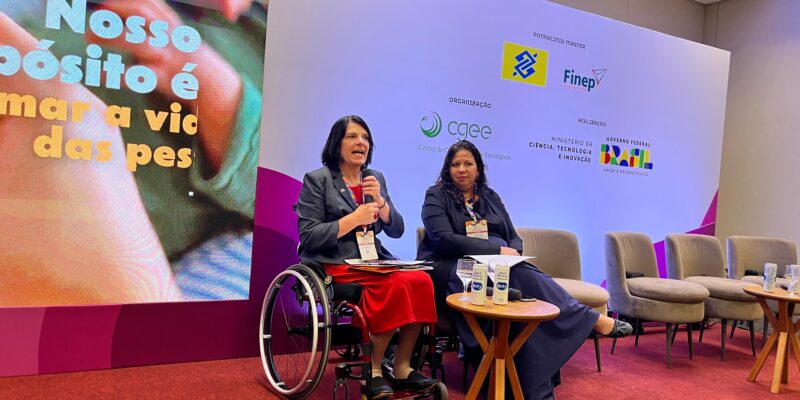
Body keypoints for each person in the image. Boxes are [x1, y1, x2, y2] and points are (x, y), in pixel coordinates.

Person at [417, 140, 632, 400]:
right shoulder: (436, 195)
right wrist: (497, 252)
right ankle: (588, 319)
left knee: (522, 295)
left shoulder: (490, 197)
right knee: (518, 276)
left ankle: (530, 383)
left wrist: (513, 252)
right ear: (447, 168)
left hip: (499, 267)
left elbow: (513, 235)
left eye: (468, 163)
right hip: (453, 267)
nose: (461, 169)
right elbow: (444, 239)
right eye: (455, 164)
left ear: (478, 168)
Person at [296, 115, 438, 399]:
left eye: (365, 137)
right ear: (337, 144)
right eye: (352, 136)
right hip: (334, 264)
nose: (361, 142)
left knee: (421, 280)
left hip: (373, 261)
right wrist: (353, 219)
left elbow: (396, 229)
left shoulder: (375, 178)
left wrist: (382, 204)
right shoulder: (318, 180)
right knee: (393, 285)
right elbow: (309, 235)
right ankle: (373, 371)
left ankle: (402, 367)